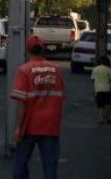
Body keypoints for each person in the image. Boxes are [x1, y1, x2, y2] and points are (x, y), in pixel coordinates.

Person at [12, 35, 66, 179]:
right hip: (51, 126)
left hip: (29, 125)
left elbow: (21, 102)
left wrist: (18, 127)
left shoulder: (24, 70)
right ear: (42, 49)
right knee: (50, 167)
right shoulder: (56, 70)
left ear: (28, 50)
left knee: (21, 165)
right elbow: (61, 96)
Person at [91, 55, 111, 124]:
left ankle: (101, 119)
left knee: (100, 105)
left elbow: (92, 79)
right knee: (107, 104)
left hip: (98, 90)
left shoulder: (95, 69)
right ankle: (107, 118)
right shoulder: (108, 69)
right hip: (107, 89)